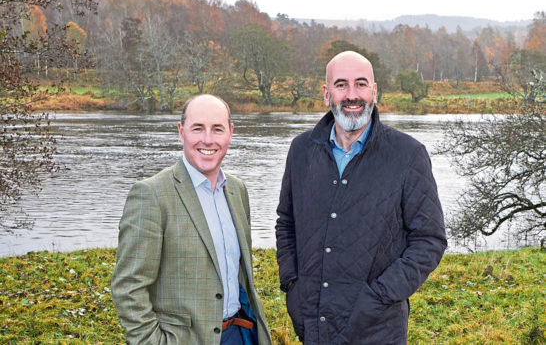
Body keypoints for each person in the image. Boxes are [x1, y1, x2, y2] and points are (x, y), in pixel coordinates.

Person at [275, 51, 447, 345]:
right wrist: (293, 285)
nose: (352, 95)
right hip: (314, 325)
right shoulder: (301, 150)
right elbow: (286, 222)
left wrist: (380, 296)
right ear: (326, 93)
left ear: (374, 91)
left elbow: (429, 240)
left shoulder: (407, 154)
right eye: (341, 85)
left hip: (378, 330)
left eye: (361, 84)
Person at [112, 94, 272, 345]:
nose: (207, 139)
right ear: (181, 131)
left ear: (230, 133)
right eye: (198, 128)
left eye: (217, 129)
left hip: (240, 335)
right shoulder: (151, 195)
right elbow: (128, 288)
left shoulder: (237, 190)